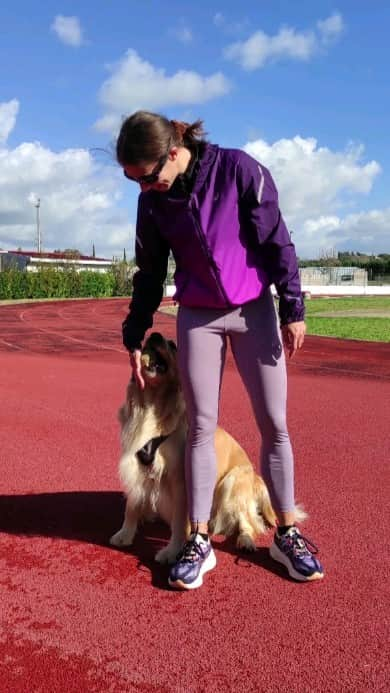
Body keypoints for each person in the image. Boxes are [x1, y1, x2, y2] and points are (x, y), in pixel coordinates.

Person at [116, 110, 324, 590]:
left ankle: (287, 533)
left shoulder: (240, 171)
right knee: (199, 428)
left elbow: (277, 242)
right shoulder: (153, 202)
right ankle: (199, 539)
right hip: (198, 316)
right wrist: (135, 331)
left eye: (147, 178)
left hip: (253, 310)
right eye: (134, 183)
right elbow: (149, 271)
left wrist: (292, 306)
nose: (144, 190)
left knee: (274, 422)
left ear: (172, 152)